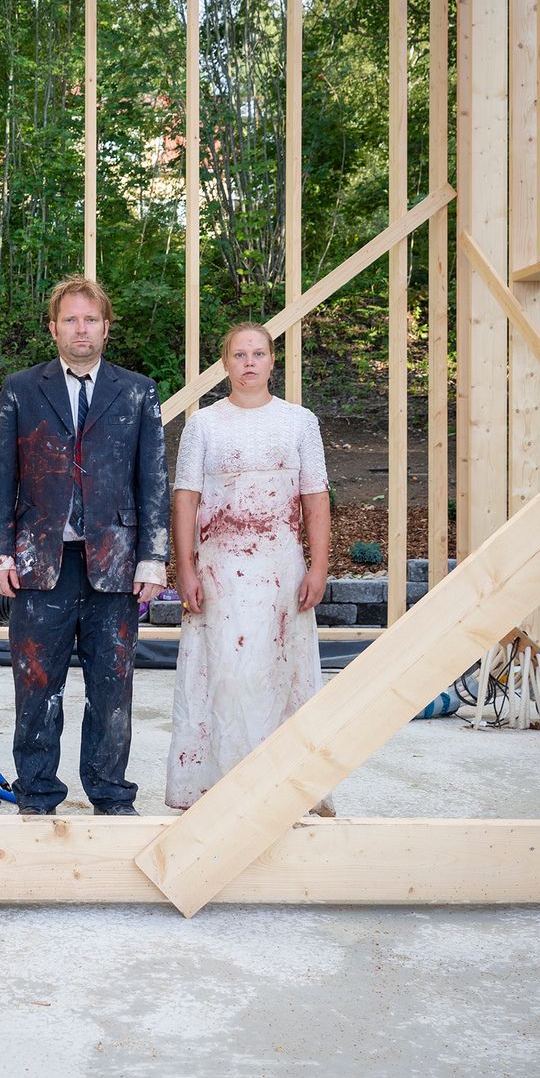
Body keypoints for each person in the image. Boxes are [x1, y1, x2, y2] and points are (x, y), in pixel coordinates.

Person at [0, 277, 169, 816]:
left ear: (106, 327)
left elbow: (151, 479)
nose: (81, 329)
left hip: (117, 564)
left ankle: (110, 794)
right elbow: (0, 476)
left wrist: (153, 557)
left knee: (113, 687)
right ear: (53, 328)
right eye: (70, 320)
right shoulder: (22, 388)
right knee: (36, 683)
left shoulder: (137, 391)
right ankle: (37, 794)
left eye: (91, 319)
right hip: (41, 562)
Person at [166, 322, 333, 814]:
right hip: (219, 571)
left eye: (258, 353)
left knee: (280, 674)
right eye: (239, 354)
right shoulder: (204, 425)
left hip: (281, 570)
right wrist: (186, 568)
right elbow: (186, 500)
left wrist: (318, 567)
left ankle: (287, 790)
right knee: (224, 674)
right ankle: (215, 788)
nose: (249, 362)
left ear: (272, 361)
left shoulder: (300, 422)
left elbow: (316, 499)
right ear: (225, 364)